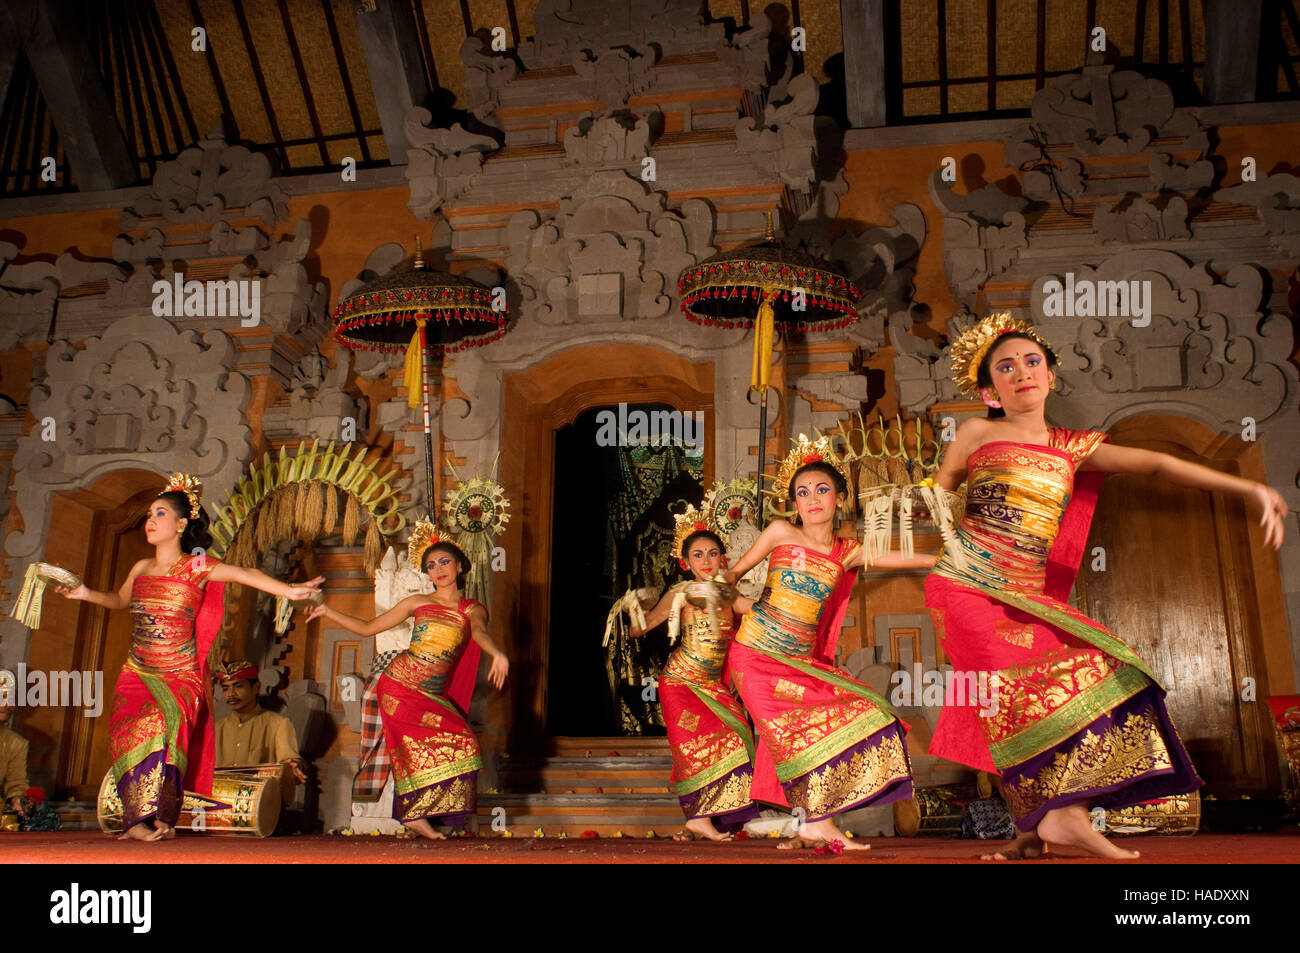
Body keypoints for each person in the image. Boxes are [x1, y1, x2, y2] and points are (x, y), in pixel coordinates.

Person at [927, 313, 1289, 860]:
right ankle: (1066, 819)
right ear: (989, 390)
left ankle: (1033, 823)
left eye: (1032, 362)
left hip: (1027, 596)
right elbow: (935, 496)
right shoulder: (976, 433)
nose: (1021, 372)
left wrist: (1250, 489)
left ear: (1050, 376)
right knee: (1023, 691)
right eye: (1006, 366)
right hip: (966, 586)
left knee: (1105, 672)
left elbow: (1159, 465)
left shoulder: (1074, 448)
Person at [59, 473, 324, 842]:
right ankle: (136, 821)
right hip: (136, 669)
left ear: (182, 524)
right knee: (126, 736)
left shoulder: (197, 567)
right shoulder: (140, 568)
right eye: (150, 514)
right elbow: (120, 601)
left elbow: (244, 573)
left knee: (161, 729)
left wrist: (289, 591)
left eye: (161, 513)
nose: (150, 520)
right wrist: (85, 592)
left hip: (178, 673)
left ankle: (163, 815)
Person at [723, 437, 937, 850]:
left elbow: (901, 556)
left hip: (800, 662)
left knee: (869, 712)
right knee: (793, 738)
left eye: (822, 490)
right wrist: (744, 604)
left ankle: (812, 824)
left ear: (840, 498)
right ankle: (815, 824)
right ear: (794, 503)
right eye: (802, 493)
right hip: (754, 656)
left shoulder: (845, 552)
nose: (812, 499)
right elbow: (728, 579)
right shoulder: (780, 532)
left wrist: (940, 560)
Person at [306, 519, 508, 840]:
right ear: (426, 573)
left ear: (459, 565)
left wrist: (497, 653)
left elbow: (480, 633)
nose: (438, 569)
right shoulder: (418, 603)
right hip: (398, 684)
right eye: (431, 565)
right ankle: (415, 817)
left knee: (463, 742)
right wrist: (328, 611)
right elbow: (369, 627)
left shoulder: (471, 610)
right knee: (408, 751)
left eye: (444, 562)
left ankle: (416, 814)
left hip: (431, 693)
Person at [631, 509, 757, 841]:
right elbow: (638, 629)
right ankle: (698, 818)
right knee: (690, 749)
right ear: (686, 562)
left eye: (712, 553)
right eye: (697, 555)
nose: (706, 560)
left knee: (739, 734)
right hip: (680, 683)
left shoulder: (729, 595)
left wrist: (789, 603)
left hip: (713, 686)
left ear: (723, 558)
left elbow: (758, 613)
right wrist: (631, 607)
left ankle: (722, 813)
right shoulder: (680, 594)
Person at [214, 659, 308, 788]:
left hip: (258, 804)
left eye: (238, 686)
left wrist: (292, 767)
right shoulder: (215, 729)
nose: (231, 694)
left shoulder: (278, 724)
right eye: (225, 688)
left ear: (256, 688)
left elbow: (290, 761)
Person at [0, 698, 30, 819]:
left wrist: (18, 800)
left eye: (11, 698)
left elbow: (16, 784)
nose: (7, 704)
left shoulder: (16, 743)